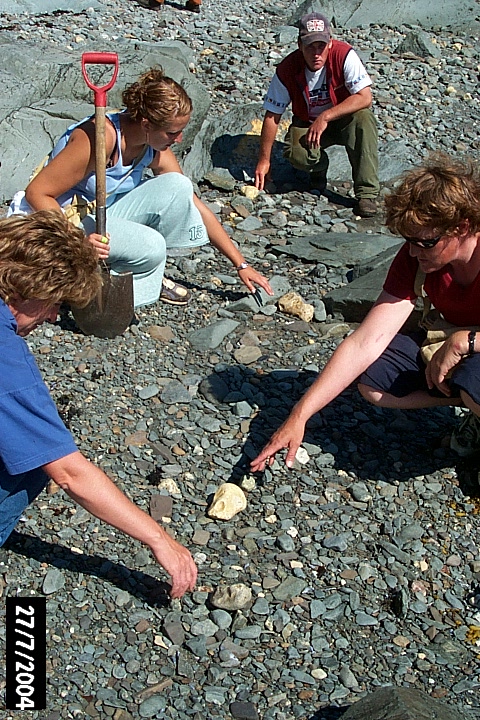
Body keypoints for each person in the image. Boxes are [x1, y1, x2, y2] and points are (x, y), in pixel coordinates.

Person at [0, 211, 197, 598]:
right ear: (25, 287)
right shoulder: (8, 360)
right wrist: (158, 538)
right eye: (55, 302)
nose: (55, 316)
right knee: (39, 455)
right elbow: (70, 473)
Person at [251, 155, 480, 472]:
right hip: (459, 340)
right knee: (375, 380)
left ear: (462, 226)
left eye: (424, 242)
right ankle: (472, 407)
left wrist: (463, 342)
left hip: (471, 346)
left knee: (473, 376)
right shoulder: (416, 258)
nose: (413, 252)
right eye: (408, 241)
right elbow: (367, 341)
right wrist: (299, 415)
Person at [10, 67, 272, 308]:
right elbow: (38, 193)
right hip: (53, 221)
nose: (179, 139)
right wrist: (76, 243)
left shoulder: (151, 147)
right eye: (172, 133)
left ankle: (121, 272)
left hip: (97, 219)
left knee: (178, 185)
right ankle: (96, 289)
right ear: (146, 124)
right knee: (153, 247)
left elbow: (192, 203)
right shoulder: (100, 140)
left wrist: (241, 264)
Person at [254, 12, 379, 218]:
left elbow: (364, 97)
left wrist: (326, 117)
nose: (316, 53)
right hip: (307, 123)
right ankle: (318, 168)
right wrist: (264, 161)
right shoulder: (287, 68)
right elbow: (272, 116)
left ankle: (366, 194)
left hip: (342, 119)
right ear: (299, 44)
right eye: (310, 46)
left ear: (330, 42)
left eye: (321, 45)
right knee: (296, 153)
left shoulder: (344, 55)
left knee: (364, 120)